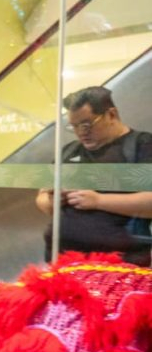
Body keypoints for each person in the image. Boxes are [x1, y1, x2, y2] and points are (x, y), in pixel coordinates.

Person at [37, 86, 152, 266]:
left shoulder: (142, 146)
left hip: (120, 266)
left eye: (86, 124)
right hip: (62, 261)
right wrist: (53, 201)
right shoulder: (69, 151)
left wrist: (98, 201)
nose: (81, 132)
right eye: (73, 126)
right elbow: (42, 197)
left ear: (111, 115)